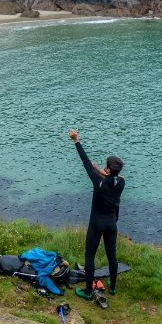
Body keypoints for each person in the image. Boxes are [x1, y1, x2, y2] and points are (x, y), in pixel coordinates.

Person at [67, 129, 125, 300]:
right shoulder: (121, 182)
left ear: (108, 169)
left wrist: (76, 140)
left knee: (90, 256)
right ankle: (113, 288)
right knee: (112, 256)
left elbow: (85, 161)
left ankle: (87, 292)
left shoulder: (98, 182)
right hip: (111, 224)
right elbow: (112, 177)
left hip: (96, 224)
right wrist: (99, 169)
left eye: (105, 165)